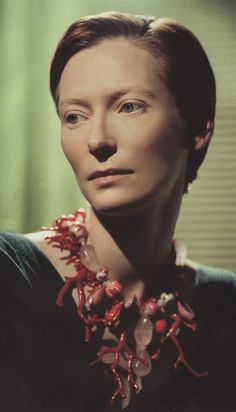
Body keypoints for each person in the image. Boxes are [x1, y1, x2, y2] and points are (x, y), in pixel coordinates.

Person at [0, 11, 235, 412]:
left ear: (197, 128)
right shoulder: (10, 278)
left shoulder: (223, 309)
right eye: (74, 116)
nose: (97, 140)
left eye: (129, 107)